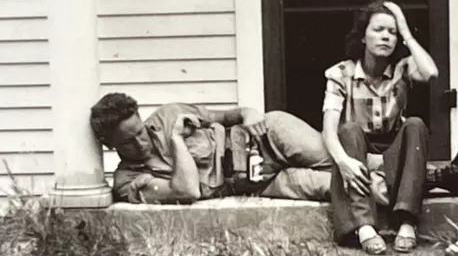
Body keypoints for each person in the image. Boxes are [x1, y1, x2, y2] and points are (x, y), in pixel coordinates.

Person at [321, 0, 439, 255]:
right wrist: (343, 162)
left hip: (392, 152)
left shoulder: (402, 70)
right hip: (357, 150)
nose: (386, 37)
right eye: (378, 30)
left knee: (415, 124)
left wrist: (406, 32)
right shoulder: (341, 73)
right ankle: (364, 226)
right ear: (363, 36)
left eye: (392, 32)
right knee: (348, 129)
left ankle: (407, 222)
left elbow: (430, 73)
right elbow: (329, 130)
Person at [90, 94, 332, 204]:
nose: (140, 142)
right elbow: (187, 191)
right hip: (261, 183)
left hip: (266, 136)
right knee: (337, 186)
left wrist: (249, 114)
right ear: (110, 145)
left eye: (140, 131)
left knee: (343, 161)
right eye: (128, 142)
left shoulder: (168, 113)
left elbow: (228, 116)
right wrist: (176, 139)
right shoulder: (127, 181)